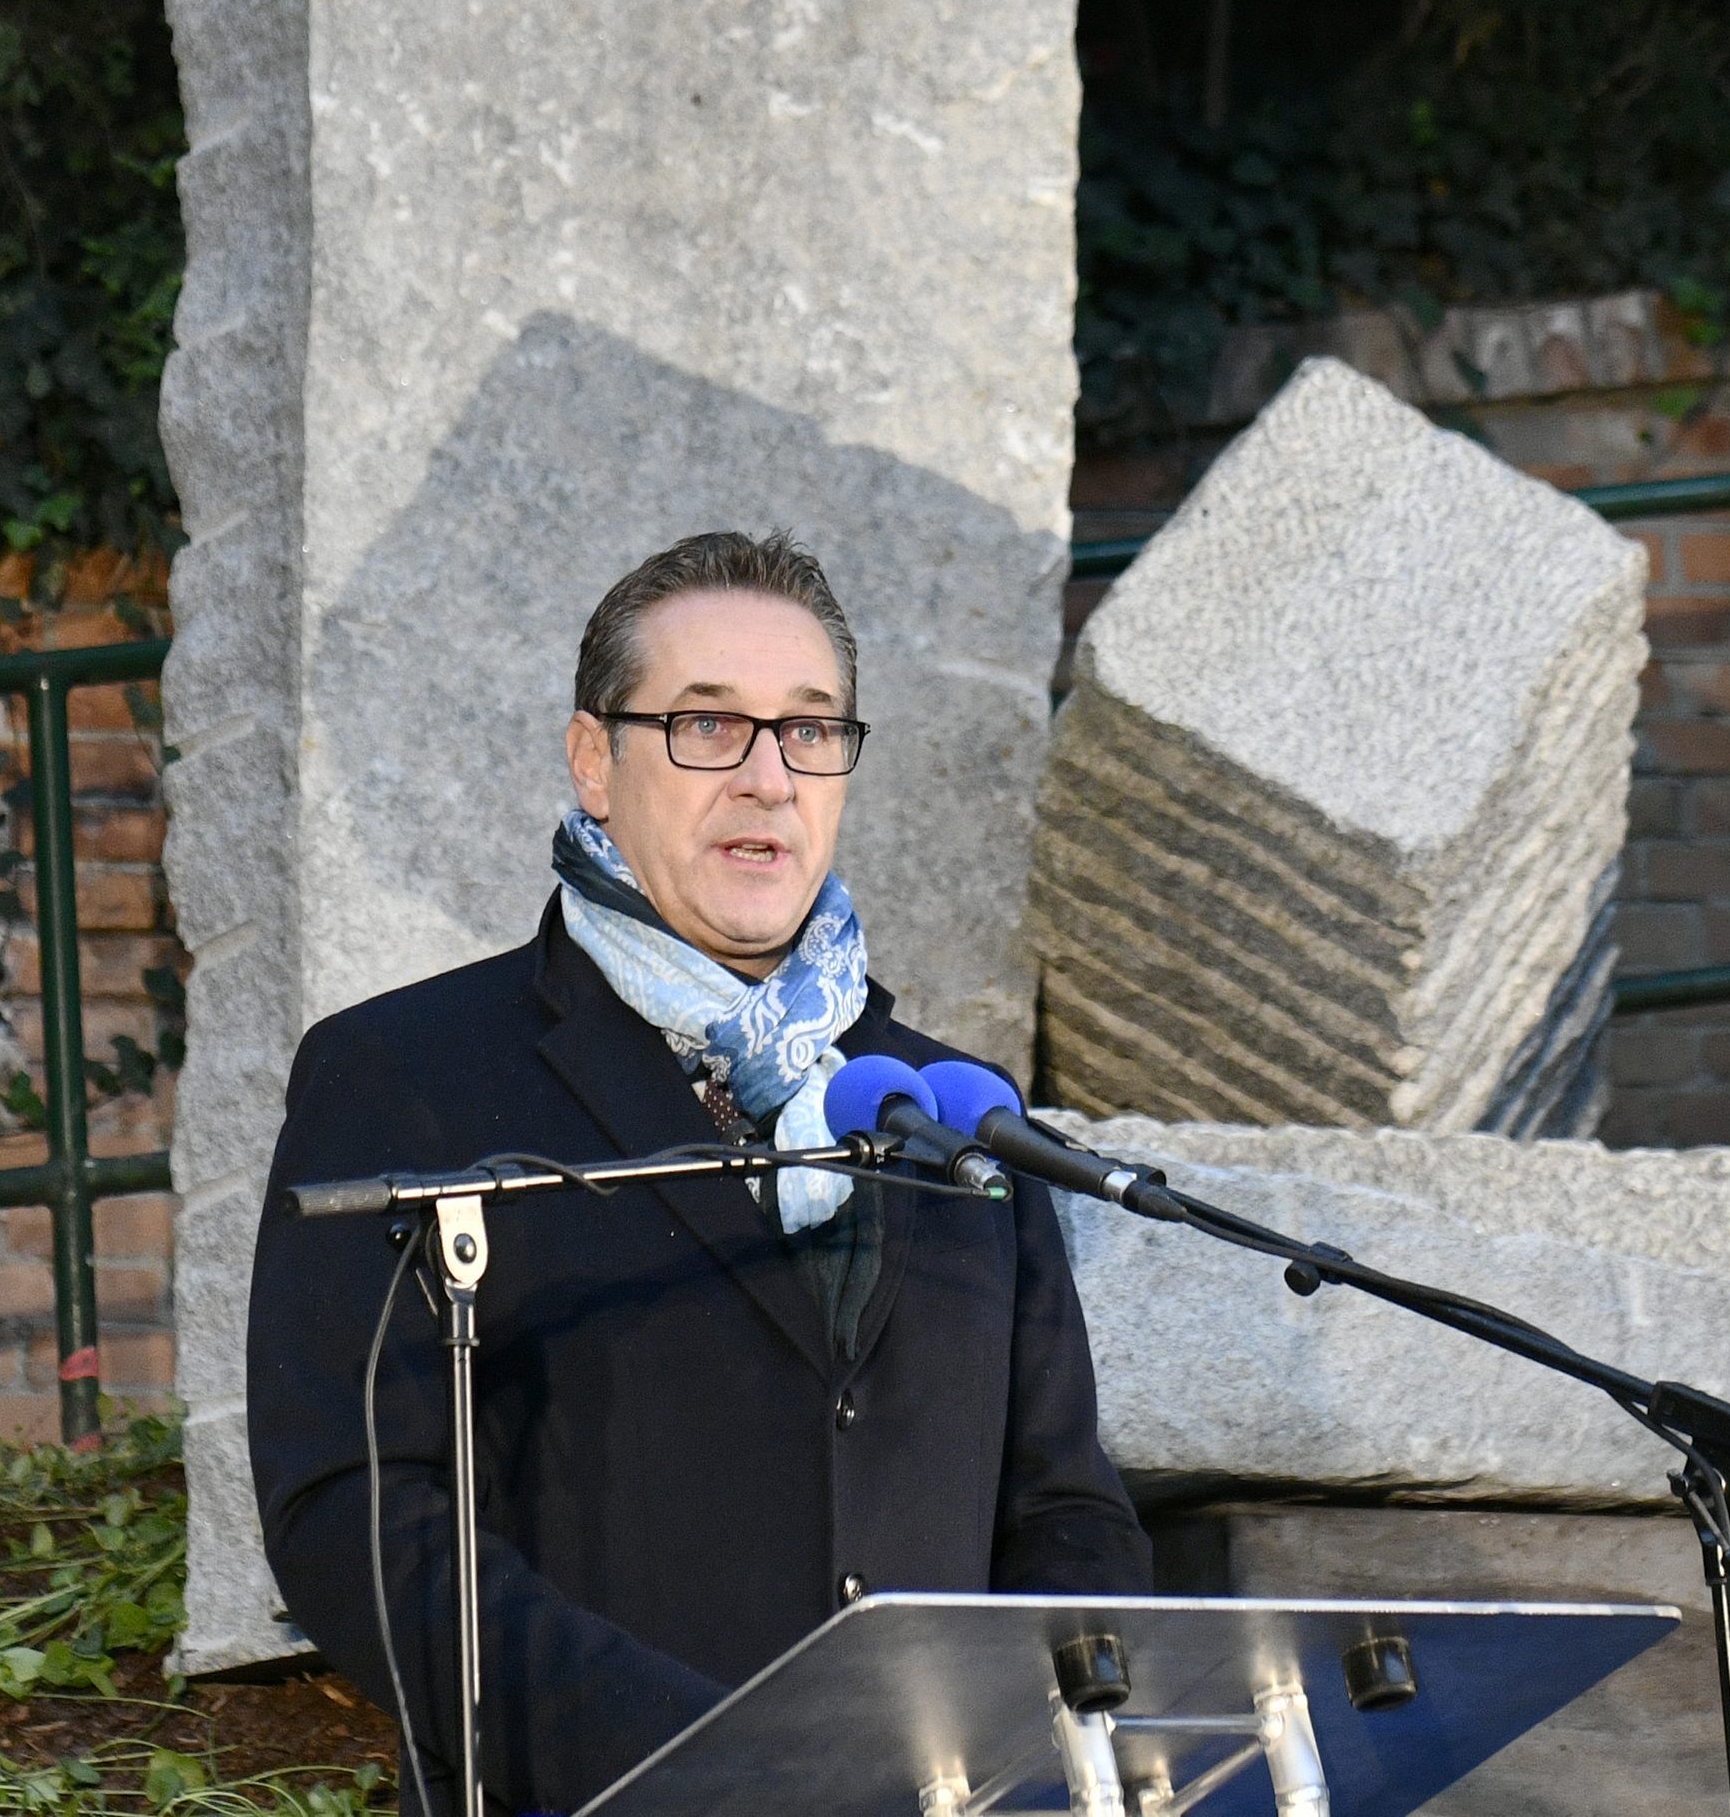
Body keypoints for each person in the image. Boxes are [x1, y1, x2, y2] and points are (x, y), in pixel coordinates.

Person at [248, 530, 1149, 1816]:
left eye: (809, 729)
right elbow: (353, 1513)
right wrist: (700, 1760)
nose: (769, 779)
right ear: (593, 760)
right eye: (708, 727)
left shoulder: (954, 1109)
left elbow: (1064, 1506)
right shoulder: (405, 1076)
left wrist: (1045, 1756)